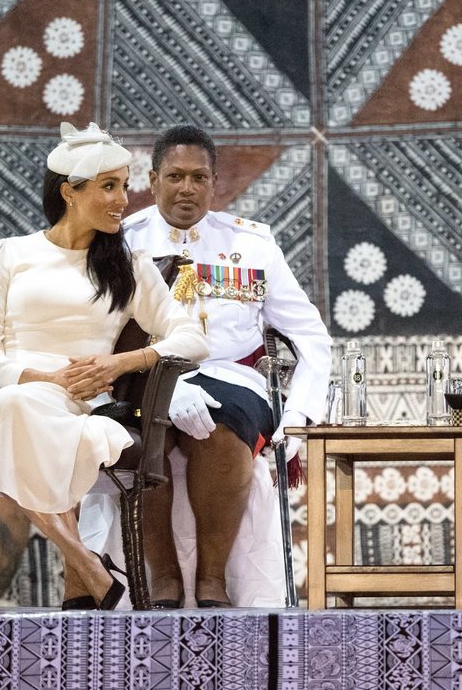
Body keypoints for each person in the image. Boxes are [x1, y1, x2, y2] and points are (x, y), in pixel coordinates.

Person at [0, 122, 209, 610]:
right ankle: (86, 564)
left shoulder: (127, 265)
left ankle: (85, 575)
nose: (122, 200)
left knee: (15, 420)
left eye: (124, 186)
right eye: (108, 186)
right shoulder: (10, 254)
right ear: (70, 191)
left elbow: (192, 338)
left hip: (79, 402)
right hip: (8, 391)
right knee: (14, 409)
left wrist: (121, 362)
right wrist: (41, 377)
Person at [122, 125, 331, 608]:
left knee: (221, 430)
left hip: (230, 376)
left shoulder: (252, 245)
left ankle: (212, 578)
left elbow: (312, 340)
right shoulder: (123, 243)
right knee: (143, 432)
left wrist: (299, 416)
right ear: (152, 181)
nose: (186, 188)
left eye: (199, 177)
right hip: (148, 372)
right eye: (175, 176)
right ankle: (164, 574)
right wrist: (163, 385)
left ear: (215, 183)